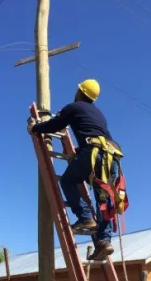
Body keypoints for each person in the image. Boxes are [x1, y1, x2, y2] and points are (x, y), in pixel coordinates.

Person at [29, 79, 123, 261]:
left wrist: (35, 128)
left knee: (68, 181)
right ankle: (104, 241)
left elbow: (54, 125)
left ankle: (85, 217)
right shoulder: (99, 114)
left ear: (81, 92)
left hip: (94, 153)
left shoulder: (74, 107)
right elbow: (101, 136)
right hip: (111, 157)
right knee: (103, 199)